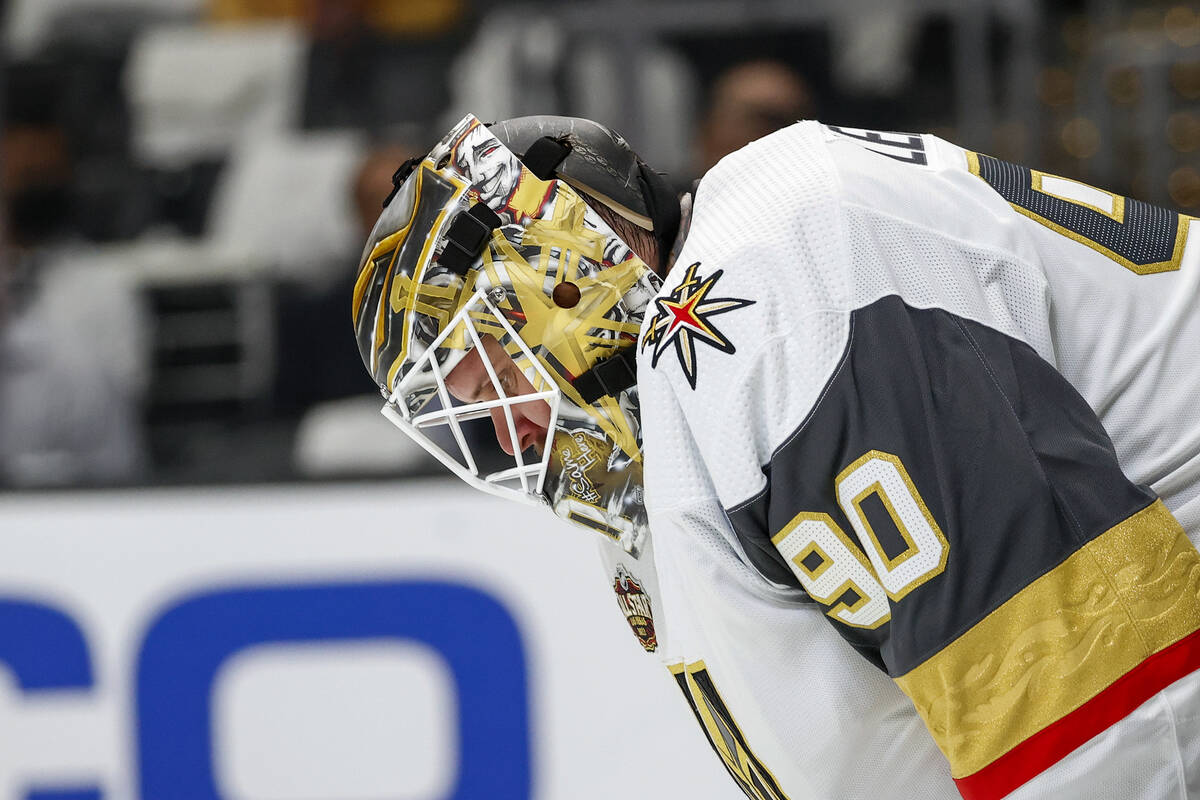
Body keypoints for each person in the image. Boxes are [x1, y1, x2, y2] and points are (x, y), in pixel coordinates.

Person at [350, 114, 1200, 799]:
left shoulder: (767, 275)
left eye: (498, 372)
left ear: (559, 276)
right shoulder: (687, 409)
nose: (511, 436)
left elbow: (1083, 703)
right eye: (472, 412)